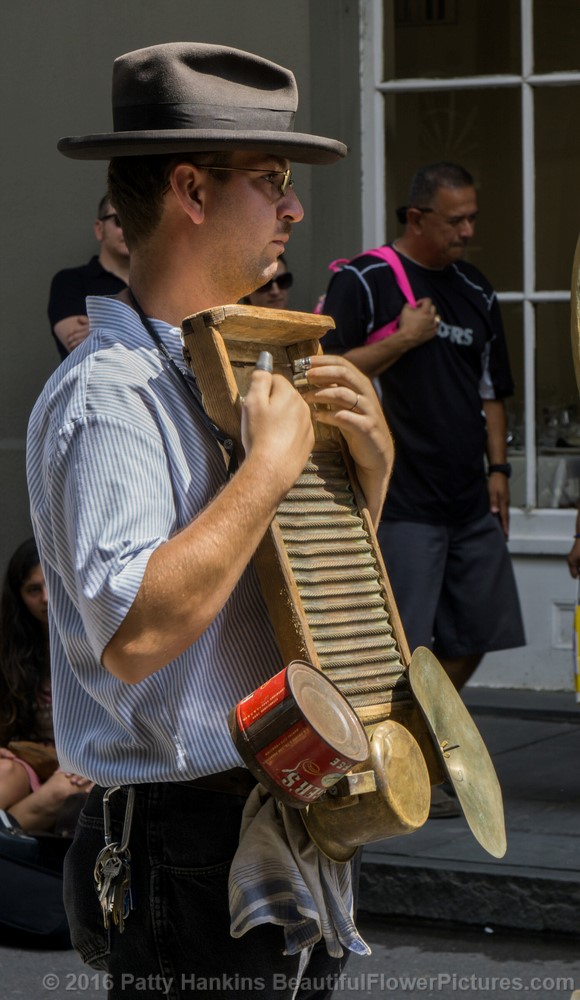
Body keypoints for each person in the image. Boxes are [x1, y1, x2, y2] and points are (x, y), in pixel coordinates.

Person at [26, 42, 392, 998]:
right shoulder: (111, 395)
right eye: (271, 180)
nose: (293, 208)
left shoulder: (223, 373)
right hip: (181, 845)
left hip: (270, 817)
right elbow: (139, 633)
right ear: (191, 188)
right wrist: (270, 467)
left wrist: (367, 485)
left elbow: (274, 605)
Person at [322, 162, 525, 695]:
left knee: (480, 630)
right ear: (416, 217)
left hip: (469, 497)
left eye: (472, 218)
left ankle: (419, 740)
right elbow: (324, 373)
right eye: (456, 221)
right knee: (401, 649)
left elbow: (491, 390)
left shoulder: (475, 288)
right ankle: (399, 757)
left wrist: (498, 468)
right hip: (402, 501)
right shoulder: (365, 279)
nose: (468, 232)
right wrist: (404, 340)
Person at [0, 538, 92, 834]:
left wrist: (93, 765)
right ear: (19, 597)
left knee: (61, 792)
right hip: (27, 756)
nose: (47, 598)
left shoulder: (93, 640)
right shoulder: (10, 649)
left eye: (52, 583)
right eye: (33, 589)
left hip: (81, 761)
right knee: (4, 774)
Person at [48, 194, 129, 359]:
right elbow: (86, 351)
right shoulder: (70, 281)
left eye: (136, 220)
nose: (129, 228)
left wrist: (100, 326)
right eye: (120, 220)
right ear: (100, 229)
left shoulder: (159, 284)